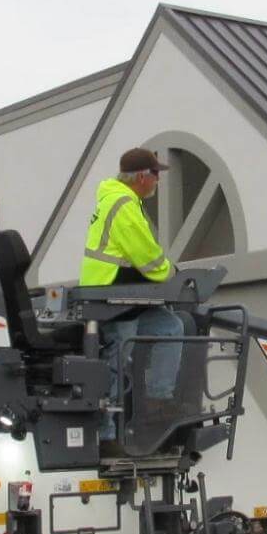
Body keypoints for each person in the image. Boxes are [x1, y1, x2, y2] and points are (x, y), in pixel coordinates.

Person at [81, 148, 186, 437]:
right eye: (155, 175)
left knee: (170, 326)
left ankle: (158, 399)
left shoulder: (122, 200)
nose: (158, 181)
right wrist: (173, 273)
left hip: (126, 293)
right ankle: (104, 435)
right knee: (117, 358)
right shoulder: (123, 203)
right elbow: (148, 259)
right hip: (112, 295)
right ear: (142, 176)